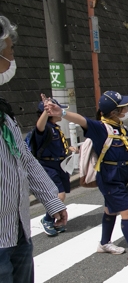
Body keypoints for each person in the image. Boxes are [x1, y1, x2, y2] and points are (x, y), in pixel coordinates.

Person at [0, 15, 68, 283]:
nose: (13, 59)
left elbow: (25, 160)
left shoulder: (4, 115)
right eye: (9, 50)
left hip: (16, 231)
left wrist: (53, 203)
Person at [44, 90, 128, 265]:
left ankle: (104, 243)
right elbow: (82, 120)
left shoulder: (121, 128)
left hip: (124, 177)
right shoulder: (100, 128)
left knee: (111, 210)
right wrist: (62, 113)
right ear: (114, 111)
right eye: (124, 107)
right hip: (110, 178)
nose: (127, 109)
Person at [34, 99, 78, 236]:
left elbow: (57, 146)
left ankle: (55, 219)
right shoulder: (45, 127)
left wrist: (69, 149)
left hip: (59, 164)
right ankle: (47, 219)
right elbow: (38, 127)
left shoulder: (55, 127)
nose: (60, 113)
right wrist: (47, 112)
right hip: (48, 165)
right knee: (59, 194)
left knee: (60, 192)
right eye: (56, 110)